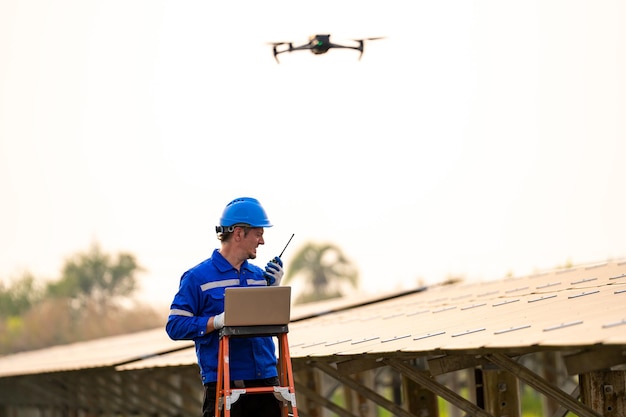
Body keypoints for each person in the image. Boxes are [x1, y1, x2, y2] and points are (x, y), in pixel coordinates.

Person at [166, 197, 285, 417]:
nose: (262, 241)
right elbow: (175, 326)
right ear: (239, 233)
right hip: (224, 385)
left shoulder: (260, 277)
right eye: (258, 234)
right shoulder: (197, 278)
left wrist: (273, 290)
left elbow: (274, 322)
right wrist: (216, 321)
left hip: (267, 384)